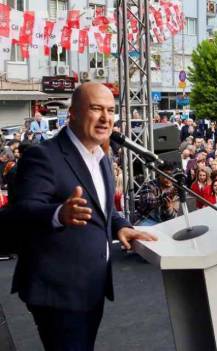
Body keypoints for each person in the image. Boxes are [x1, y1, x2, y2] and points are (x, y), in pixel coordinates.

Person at [9, 82, 157, 350]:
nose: (106, 118)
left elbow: (101, 209)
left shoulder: (100, 155)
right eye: (96, 109)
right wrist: (58, 214)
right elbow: (23, 210)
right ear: (73, 114)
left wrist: (120, 226)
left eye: (111, 111)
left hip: (91, 286)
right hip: (58, 291)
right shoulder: (43, 156)